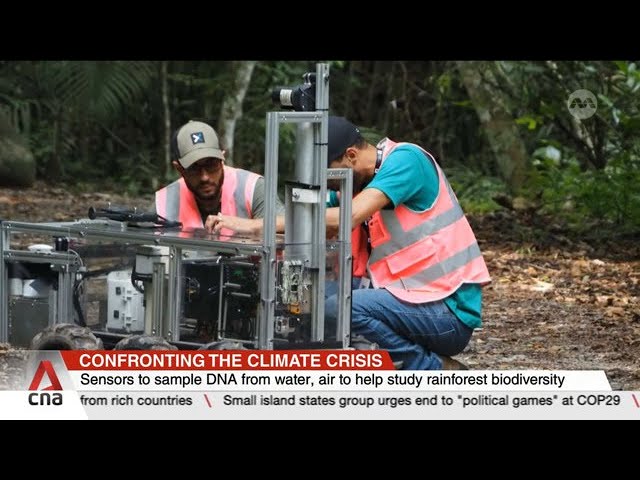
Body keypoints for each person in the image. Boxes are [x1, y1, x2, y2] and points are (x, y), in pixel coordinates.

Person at [324, 116, 491, 370]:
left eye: (332, 176)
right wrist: (259, 226)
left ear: (351, 155)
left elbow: (349, 216)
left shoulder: (406, 161)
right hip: (411, 299)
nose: (331, 185)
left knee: (342, 307)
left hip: (449, 313)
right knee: (314, 300)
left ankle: (432, 368)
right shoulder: (362, 183)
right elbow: (311, 212)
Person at [154, 119, 283, 236]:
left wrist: (247, 225)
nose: (204, 177)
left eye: (211, 164)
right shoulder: (164, 202)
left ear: (222, 159)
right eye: (193, 168)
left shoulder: (253, 187)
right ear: (179, 168)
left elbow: (291, 222)